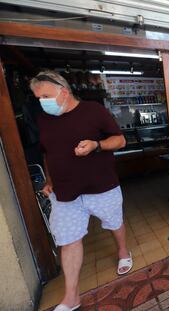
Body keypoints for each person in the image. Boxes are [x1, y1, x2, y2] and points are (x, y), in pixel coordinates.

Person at [30, 71, 133, 311]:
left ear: (64, 92)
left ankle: (123, 250)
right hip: (65, 191)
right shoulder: (43, 119)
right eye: (37, 98)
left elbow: (120, 140)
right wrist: (49, 178)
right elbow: (47, 152)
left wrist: (96, 145)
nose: (41, 101)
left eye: (45, 96)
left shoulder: (93, 111)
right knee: (69, 240)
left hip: (101, 185)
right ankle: (71, 297)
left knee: (114, 222)